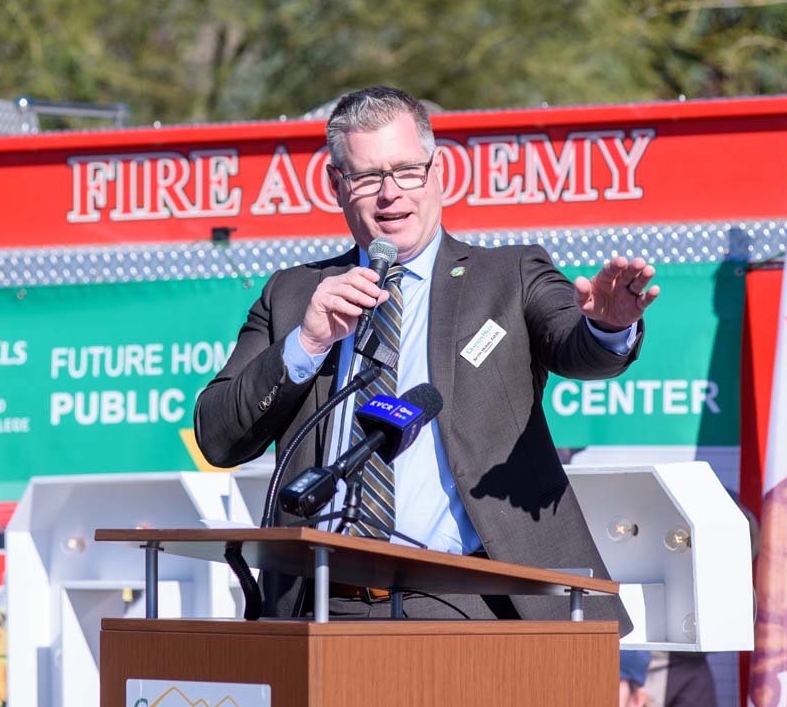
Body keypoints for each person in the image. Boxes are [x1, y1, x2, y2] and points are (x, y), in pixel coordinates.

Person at [195, 86, 659, 622]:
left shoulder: (506, 276)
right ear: (336, 185)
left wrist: (604, 327)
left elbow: (573, 344)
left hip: (468, 600)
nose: (391, 194)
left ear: (437, 172)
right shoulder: (295, 295)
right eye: (368, 177)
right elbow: (217, 437)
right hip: (322, 606)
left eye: (407, 171)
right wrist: (307, 343)